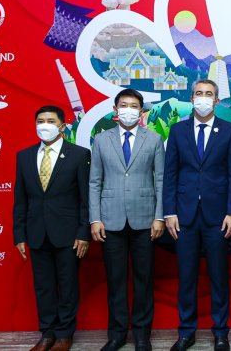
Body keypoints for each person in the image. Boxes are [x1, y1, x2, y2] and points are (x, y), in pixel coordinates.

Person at [163, 80, 231, 351]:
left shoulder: (230, 131)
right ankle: (186, 332)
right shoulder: (178, 131)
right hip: (183, 216)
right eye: (199, 93)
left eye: (209, 94)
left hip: (218, 216)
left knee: (219, 276)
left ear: (216, 100)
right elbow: (170, 174)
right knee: (187, 277)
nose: (203, 98)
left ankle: (221, 332)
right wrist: (169, 212)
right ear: (192, 98)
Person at [89, 88, 165, 351]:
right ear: (115, 109)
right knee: (116, 280)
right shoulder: (101, 140)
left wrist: (159, 217)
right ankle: (117, 335)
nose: (128, 110)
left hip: (145, 220)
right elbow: (94, 182)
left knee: (144, 280)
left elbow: (160, 180)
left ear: (141, 111)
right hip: (110, 220)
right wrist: (95, 219)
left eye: (134, 106)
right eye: (124, 105)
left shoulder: (154, 139)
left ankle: (142, 335)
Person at [13, 105, 90, 351]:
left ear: (62, 125)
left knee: (68, 285)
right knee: (43, 286)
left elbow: (86, 198)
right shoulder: (24, 156)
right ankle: (47, 334)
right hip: (36, 232)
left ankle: (65, 334)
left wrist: (84, 232)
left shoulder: (79, 154)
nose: (44, 125)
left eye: (50, 121)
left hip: (68, 233)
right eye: (40, 121)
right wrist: (19, 234)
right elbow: (20, 199)